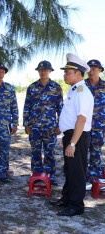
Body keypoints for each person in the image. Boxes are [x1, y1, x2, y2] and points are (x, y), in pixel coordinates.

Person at [50, 53, 94, 216]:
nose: (64, 75)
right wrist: (66, 138)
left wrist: (73, 143)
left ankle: (76, 206)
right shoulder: (75, 91)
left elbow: (81, 120)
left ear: (78, 73)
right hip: (72, 135)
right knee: (69, 169)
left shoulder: (82, 91)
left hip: (79, 137)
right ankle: (67, 199)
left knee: (77, 172)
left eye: (68, 72)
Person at [23, 61, 63, 186]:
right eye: (41, 70)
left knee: (49, 151)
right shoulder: (32, 87)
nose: (43, 72)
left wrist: (60, 124)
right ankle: (37, 175)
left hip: (50, 127)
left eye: (45, 70)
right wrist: (26, 123)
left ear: (50, 71)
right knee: (35, 151)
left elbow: (60, 107)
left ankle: (50, 176)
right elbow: (27, 106)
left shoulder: (56, 87)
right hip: (34, 126)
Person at [85, 59, 105, 182]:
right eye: (89, 69)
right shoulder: (82, 85)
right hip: (83, 125)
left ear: (100, 70)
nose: (91, 71)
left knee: (96, 151)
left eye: (94, 69)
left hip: (99, 125)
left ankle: (95, 176)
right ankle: (82, 175)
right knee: (81, 152)